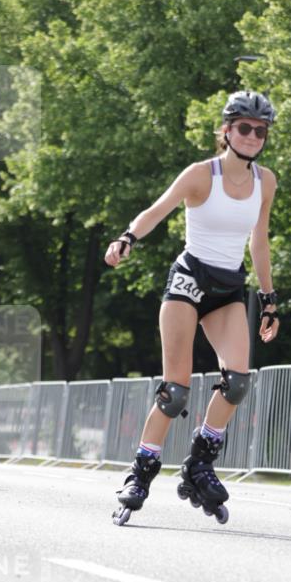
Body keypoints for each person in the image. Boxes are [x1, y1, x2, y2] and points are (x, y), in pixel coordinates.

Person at [104, 90, 280, 526]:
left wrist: (269, 297)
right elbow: (157, 210)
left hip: (228, 288)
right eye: (244, 127)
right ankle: (140, 473)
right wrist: (127, 238)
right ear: (226, 130)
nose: (253, 136)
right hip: (189, 280)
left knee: (237, 382)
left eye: (260, 130)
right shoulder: (202, 174)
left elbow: (259, 241)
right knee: (176, 389)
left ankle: (199, 462)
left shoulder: (266, 181)